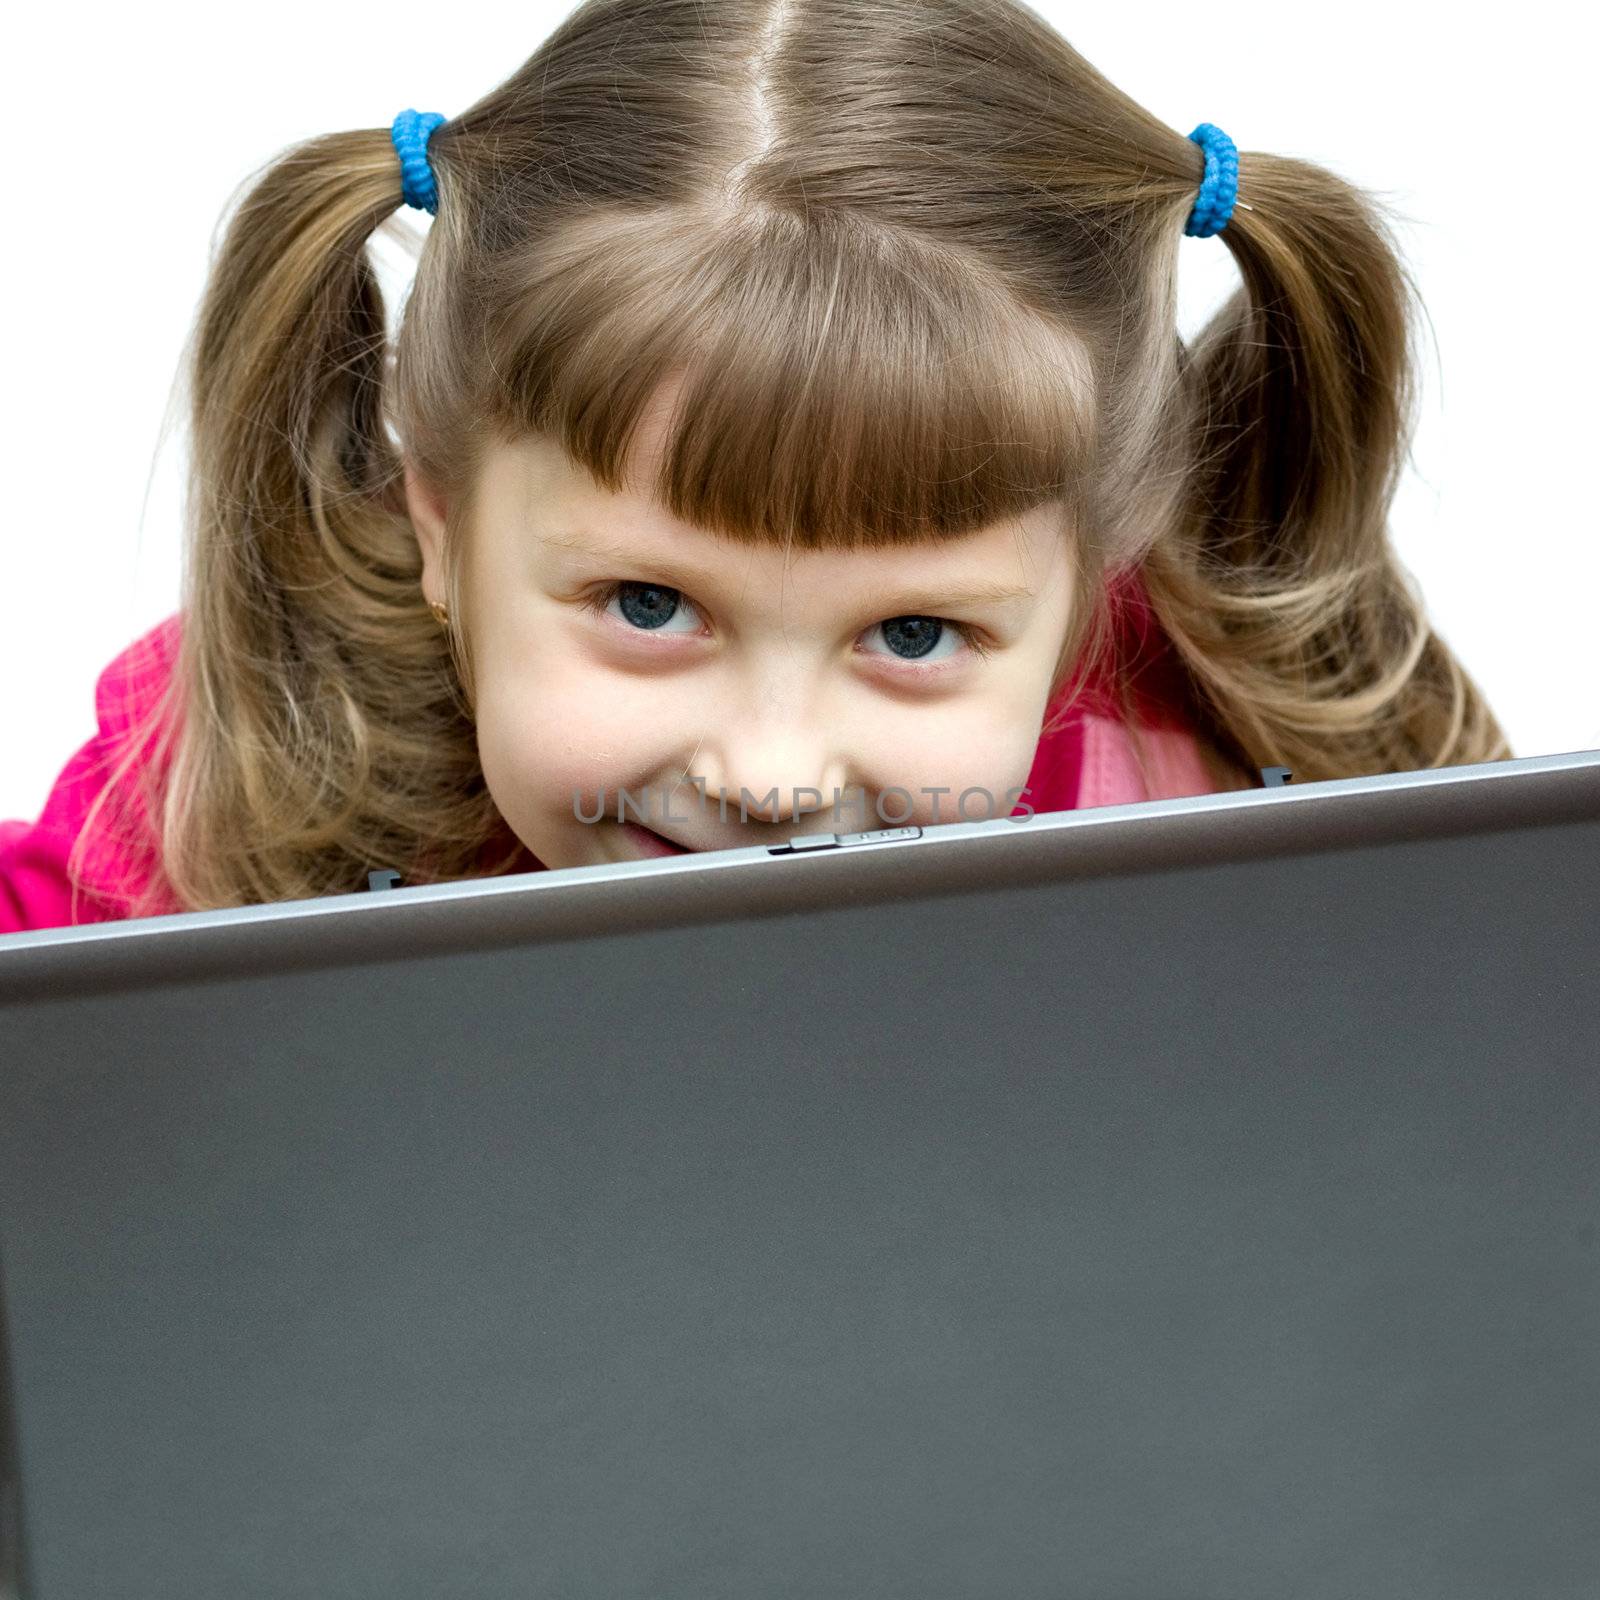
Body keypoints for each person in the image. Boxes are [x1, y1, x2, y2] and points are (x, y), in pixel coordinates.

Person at [0, 0, 1509, 938]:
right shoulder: (227, 804)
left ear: (1088, 591)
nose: (771, 774)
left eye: (913, 637)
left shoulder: (1233, 830)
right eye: (651, 606)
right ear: (442, 522)